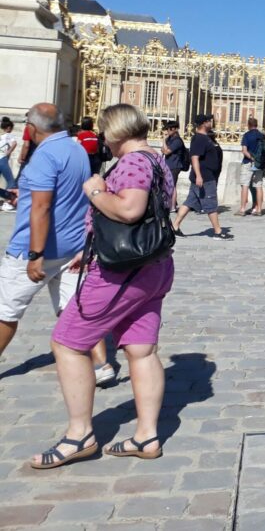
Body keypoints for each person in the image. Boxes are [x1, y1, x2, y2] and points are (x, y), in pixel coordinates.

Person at [31, 103, 176, 469]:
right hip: (152, 265)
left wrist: (96, 191)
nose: (103, 141)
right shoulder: (157, 160)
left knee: (66, 342)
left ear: (115, 132)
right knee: (141, 349)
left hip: (121, 273)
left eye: (104, 132)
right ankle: (146, 435)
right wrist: (92, 246)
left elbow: (129, 210)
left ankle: (80, 434)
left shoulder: (132, 162)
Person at [0, 104, 91, 366]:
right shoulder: (77, 149)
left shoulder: (44, 155)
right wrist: (24, 195)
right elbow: (64, 194)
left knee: (6, 311)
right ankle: (99, 364)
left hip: (37, 247)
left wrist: (35, 254)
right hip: (72, 246)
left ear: (32, 127)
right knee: (73, 311)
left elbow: (42, 207)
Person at [172, 115, 230, 241]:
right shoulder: (200, 139)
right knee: (211, 204)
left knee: (189, 202)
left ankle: (174, 226)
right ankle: (218, 232)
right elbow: (194, 157)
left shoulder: (204, 138)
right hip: (205, 177)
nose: (211, 122)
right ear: (204, 123)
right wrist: (198, 175)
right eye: (209, 121)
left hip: (203, 176)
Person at [239, 117, 265, 217]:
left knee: (245, 185)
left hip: (248, 162)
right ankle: (259, 209)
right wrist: (258, 160)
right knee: (258, 186)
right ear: (257, 124)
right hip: (259, 164)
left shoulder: (247, 135)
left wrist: (252, 158)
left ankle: (242, 209)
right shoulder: (262, 135)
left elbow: (244, 150)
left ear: (249, 125)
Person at [160, 121, 186, 212]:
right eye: (167, 128)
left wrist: (164, 140)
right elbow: (163, 149)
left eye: (169, 128)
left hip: (175, 166)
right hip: (168, 164)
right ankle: (171, 203)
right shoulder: (169, 139)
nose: (168, 130)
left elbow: (166, 151)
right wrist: (165, 142)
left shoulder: (178, 141)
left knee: (172, 185)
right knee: (168, 184)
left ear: (175, 129)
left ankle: (173, 206)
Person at [0, 116, 17, 201]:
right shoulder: (9, 135)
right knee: (11, 181)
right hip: (3, 159)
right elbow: (14, 143)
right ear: (9, 128)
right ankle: (9, 199)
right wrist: (9, 152)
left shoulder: (1, 135)